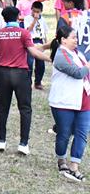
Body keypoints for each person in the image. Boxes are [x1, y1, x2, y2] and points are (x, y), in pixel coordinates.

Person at [0, 6, 51, 155]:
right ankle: (23, 144)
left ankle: (1, 142)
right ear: (18, 17)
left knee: (2, 109)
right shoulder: (24, 33)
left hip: (3, 74)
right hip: (21, 74)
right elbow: (33, 52)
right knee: (25, 109)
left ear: (3, 18)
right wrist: (50, 59)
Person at [48, 25, 90, 182]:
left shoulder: (78, 53)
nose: (76, 40)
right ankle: (61, 160)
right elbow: (78, 73)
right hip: (64, 102)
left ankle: (74, 166)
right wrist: (88, 66)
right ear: (63, 40)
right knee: (64, 133)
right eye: (73, 37)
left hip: (84, 100)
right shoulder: (60, 55)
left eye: (76, 37)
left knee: (82, 133)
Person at [24, 1, 48, 90]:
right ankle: (27, 82)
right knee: (29, 63)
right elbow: (27, 30)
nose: (35, 13)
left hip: (40, 40)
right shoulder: (27, 18)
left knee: (41, 64)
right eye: (34, 11)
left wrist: (45, 43)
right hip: (31, 40)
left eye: (38, 12)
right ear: (31, 10)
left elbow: (45, 32)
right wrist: (34, 20)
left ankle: (38, 82)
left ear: (41, 11)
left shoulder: (43, 19)